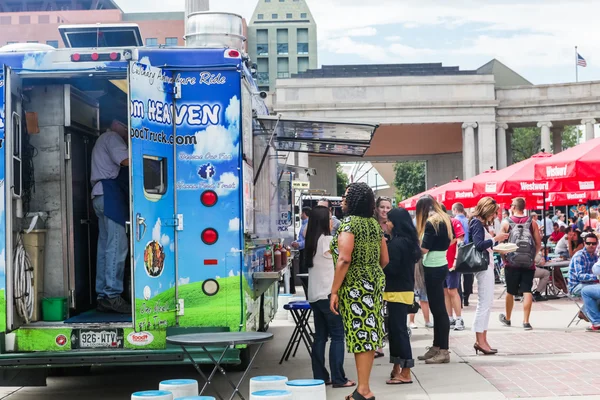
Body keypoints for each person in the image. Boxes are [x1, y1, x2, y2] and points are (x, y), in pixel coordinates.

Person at [330, 182, 388, 400]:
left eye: (346, 196)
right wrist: (369, 274)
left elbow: (344, 258)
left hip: (354, 285)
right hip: (373, 283)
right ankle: (363, 388)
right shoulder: (374, 225)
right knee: (369, 333)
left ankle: (363, 390)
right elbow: (385, 259)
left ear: (353, 201)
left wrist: (334, 291)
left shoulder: (348, 224)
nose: (343, 200)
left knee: (359, 335)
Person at [305, 206, 355, 389]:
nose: (332, 220)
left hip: (314, 296)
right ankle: (339, 378)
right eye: (329, 217)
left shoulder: (311, 240)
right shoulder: (327, 240)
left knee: (320, 338)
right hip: (328, 295)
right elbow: (344, 258)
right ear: (324, 221)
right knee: (337, 336)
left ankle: (320, 376)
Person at [91, 119, 131, 314]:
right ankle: (113, 295)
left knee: (105, 247)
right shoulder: (113, 137)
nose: (127, 135)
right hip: (110, 194)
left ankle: (102, 295)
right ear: (118, 125)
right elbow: (126, 161)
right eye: (127, 130)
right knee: (117, 246)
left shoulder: (102, 139)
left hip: (99, 195)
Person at [383, 208, 420, 384]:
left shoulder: (397, 244)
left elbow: (391, 269)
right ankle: (397, 367)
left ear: (396, 223)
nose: (386, 224)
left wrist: (381, 260)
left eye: (388, 221)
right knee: (395, 331)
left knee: (398, 331)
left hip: (396, 291)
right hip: (402, 290)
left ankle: (405, 371)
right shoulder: (405, 242)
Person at [415, 195, 453, 364]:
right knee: (438, 310)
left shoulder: (432, 222)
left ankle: (443, 349)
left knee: (438, 310)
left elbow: (424, 248)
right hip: (441, 264)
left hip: (433, 268)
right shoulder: (444, 219)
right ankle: (437, 346)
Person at [469, 197, 509, 355]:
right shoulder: (477, 223)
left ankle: (483, 339)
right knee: (484, 304)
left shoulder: (477, 222)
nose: (494, 216)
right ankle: (480, 340)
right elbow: (478, 245)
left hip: (486, 265)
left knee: (486, 303)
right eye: (493, 213)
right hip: (483, 266)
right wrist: (495, 239)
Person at [499, 197, 541, 330]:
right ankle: (526, 321)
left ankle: (508, 318)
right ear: (524, 207)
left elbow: (501, 244)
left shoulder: (506, 222)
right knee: (527, 290)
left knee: (510, 291)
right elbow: (538, 243)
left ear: (513, 207)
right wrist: (532, 257)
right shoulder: (532, 222)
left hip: (511, 263)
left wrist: (504, 259)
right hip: (528, 263)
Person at [373, 196, 393, 358]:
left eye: (388, 207)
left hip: (392, 269)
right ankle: (378, 344)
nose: (385, 210)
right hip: (375, 270)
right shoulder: (372, 225)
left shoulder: (394, 226)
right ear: (376, 208)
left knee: (392, 309)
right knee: (377, 308)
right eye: (382, 207)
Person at [441, 205, 465, 331]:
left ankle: (459, 318)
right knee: (445, 291)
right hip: (440, 263)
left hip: (452, 263)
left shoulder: (454, 222)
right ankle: (449, 317)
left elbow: (460, 242)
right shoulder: (436, 224)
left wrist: (456, 260)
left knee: (452, 290)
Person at [453, 202, 473, 307]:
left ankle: (459, 299)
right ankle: (466, 298)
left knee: (457, 275)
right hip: (469, 249)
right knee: (468, 275)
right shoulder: (468, 221)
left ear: (455, 210)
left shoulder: (454, 221)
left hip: (458, 249)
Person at [581, 262, 600, 332]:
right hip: (580, 283)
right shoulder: (579, 255)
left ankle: (597, 322)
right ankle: (584, 312)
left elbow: (596, 269)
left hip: (588, 282)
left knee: (586, 291)